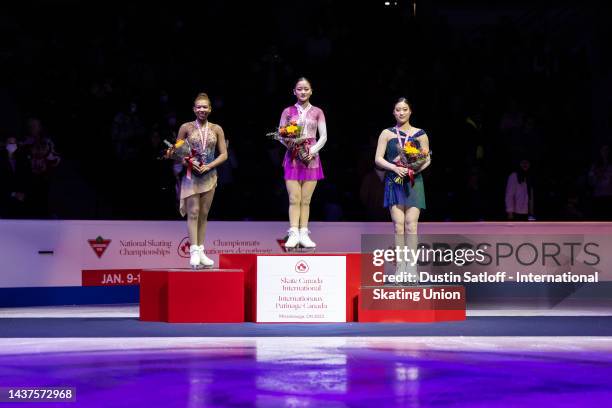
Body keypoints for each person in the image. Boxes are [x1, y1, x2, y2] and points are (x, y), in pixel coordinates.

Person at [374, 98, 430, 282]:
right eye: (398, 110)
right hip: (394, 180)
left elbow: (427, 158)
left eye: (405, 109)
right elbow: (378, 159)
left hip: (414, 181)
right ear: (393, 112)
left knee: (411, 226)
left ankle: (412, 268)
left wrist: (414, 169)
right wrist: (394, 167)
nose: (401, 113)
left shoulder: (420, 134)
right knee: (398, 227)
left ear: (410, 111)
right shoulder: (386, 133)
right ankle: (400, 268)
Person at [173, 93, 227, 268]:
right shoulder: (186, 127)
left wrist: (210, 165)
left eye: (205, 107)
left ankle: (202, 251)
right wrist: (188, 161)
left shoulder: (217, 129)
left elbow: (224, 154)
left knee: (204, 214)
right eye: (199, 107)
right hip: (192, 176)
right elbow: (177, 151)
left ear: (210, 109)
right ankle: (193, 251)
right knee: (193, 212)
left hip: (209, 175)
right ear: (194, 109)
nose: (202, 110)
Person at [278, 77, 327, 249]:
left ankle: (304, 233)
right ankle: (293, 233)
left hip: (311, 159)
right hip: (292, 158)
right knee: (294, 198)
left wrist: (311, 152)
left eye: (306, 89)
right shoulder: (287, 111)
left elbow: (324, 137)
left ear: (311, 91)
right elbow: (281, 135)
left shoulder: (318, 112)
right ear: (294, 91)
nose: (303, 92)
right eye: (299, 89)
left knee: (306, 200)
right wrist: (292, 146)